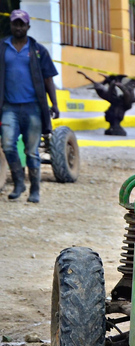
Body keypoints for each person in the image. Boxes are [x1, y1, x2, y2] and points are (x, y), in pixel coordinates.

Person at [1, 9, 59, 203]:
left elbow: (48, 79)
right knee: (8, 145)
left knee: (31, 151)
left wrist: (54, 104)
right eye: (15, 23)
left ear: (28, 26)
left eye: (21, 24)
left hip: (33, 108)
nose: (18, 27)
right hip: (9, 107)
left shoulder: (37, 50)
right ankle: (19, 183)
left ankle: (35, 190)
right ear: (11, 25)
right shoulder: (3, 48)